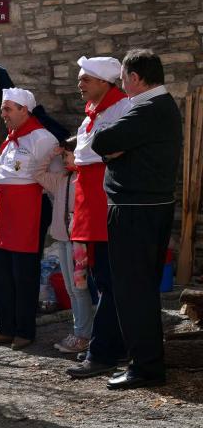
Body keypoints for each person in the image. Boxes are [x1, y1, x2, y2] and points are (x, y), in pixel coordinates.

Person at [89, 49, 182, 390]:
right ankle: (146, 361)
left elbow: (103, 140)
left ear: (137, 78)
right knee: (140, 289)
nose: (122, 84)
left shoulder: (147, 109)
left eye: (124, 78)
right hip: (147, 208)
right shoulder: (159, 108)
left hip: (135, 212)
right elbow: (111, 145)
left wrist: (115, 150)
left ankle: (145, 367)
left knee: (133, 290)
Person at [63, 56, 133, 379]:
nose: (80, 83)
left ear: (105, 82)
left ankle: (102, 352)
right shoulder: (91, 115)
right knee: (101, 279)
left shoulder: (121, 108)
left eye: (86, 79)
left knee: (108, 281)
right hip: (90, 209)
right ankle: (114, 347)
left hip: (105, 207)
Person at [0, 88, 58, 350]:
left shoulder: (41, 138)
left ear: (25, 110)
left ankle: (24, 330)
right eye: (3, 109)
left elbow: (55, 176)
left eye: (8, 109)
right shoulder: (11, 139)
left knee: (24, 273)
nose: (3, 114)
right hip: (7, 213)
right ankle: (5, 328)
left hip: (30, 210)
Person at [34, 138, 96, 354]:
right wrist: (53, 153)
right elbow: (37, 173)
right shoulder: (61, 179)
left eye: (67, 156)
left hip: (78, 242)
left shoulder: (85, 179)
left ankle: (83, 335)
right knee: (71, 290)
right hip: (62, 238)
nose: (64, 160)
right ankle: (79, 331)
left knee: (80, 289)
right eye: (63, 156)